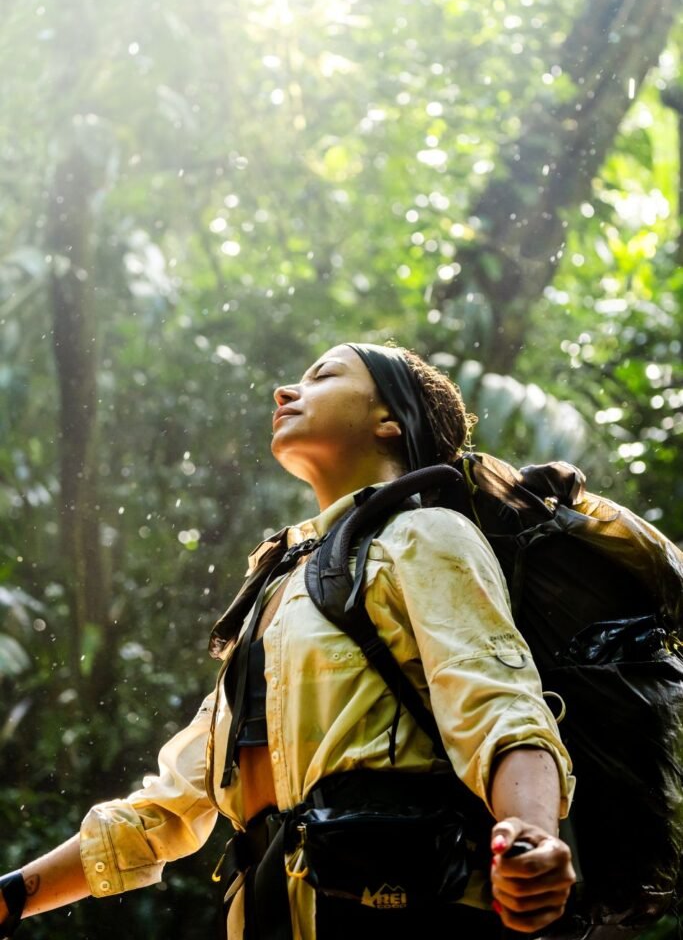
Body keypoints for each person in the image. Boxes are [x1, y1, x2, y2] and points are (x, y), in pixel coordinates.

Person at [0, 342, 576, 939]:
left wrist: (532, 836)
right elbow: (169, 806)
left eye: (323, 376)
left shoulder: (423, 533)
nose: (285, 391)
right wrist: (11, 897)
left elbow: (499, 702)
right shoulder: (280, 581)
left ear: (388, 419)